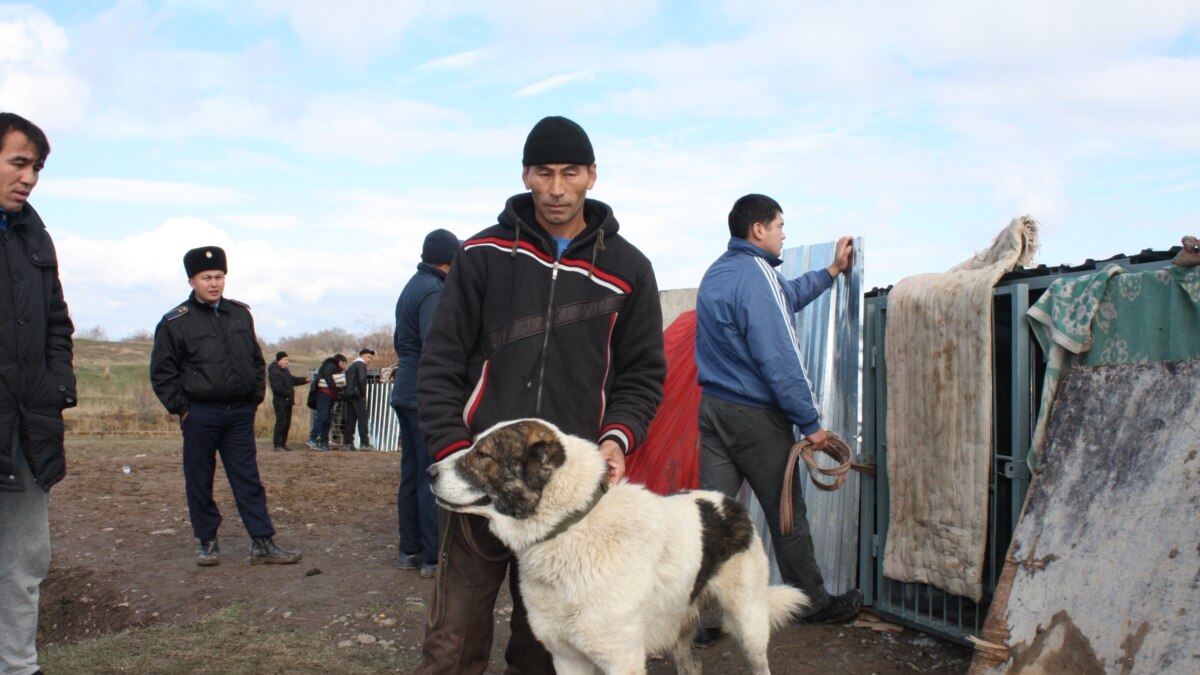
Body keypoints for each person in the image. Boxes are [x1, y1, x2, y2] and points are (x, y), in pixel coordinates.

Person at [415, 116, 666, 674]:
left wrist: (618, 438)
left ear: (592, 176)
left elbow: (642, 375)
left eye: (570, 173)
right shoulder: (480, 255)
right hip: (478, 478)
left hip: (564, 492)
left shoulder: (629, 270)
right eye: (544, 173)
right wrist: (454, 452)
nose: (557, 188)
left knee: (547, 646)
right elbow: (440, 364)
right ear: (525, 175)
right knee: (453, 639)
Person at [693, 193, 860, 645]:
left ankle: (703, 621)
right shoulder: (756, 274)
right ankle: (813, 602)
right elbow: (780, 357)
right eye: (780, 225)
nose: (785, 234)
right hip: (754, 417)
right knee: (787, 513)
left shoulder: (719, 273)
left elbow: (786, 297)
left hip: (712, 410)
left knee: (714, 517)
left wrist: (829, 273)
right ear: (758, 230)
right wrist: (811, 424)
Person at [150, 245, 302, 567]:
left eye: (219, 276)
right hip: (200, 413)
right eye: (206, 277)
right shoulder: (176, 322)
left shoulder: (240, 313)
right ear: (192, 280)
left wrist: (253, 397)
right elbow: (162, 372)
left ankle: (262, 542)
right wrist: (182, 408)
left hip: (238, 414)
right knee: (200, 478)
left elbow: (254, 360)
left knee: (247, 477)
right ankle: (208, 541)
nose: (214, 283)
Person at [0, 112, 77, 675]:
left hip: (28, 428)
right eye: (18, 162)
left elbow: (56, 323)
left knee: (25, 557)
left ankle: (19, 666)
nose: (29, 178)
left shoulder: (35, 236)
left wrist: (55, 388)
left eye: (37, 167)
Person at [392, 228, 460, 579]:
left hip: (405, 390)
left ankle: (410, 549)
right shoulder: (434, 291)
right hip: (423, 394)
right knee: (429, 475)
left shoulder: (411, 286)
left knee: (410, 473)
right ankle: (434, 556)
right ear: (447, 261)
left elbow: (401, 341)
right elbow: (437, 344)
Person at [267, 351, 309, 452]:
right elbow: (277, 388)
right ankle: (277, 444)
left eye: (287, 359)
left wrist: (305, 380)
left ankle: (283, 443)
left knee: (286, 423)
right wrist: (288, 392)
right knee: (281, 423)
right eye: (284, 360)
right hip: (280, 401)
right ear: (278, 360)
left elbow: (292, 380)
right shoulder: (274, 371)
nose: (286, 362)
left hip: (288, 401)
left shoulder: (285, 370)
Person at [308, 353, 347, 451]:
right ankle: (313, 439)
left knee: (327, 420)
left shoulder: (331, 365)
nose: (344, 367)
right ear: (341, 362)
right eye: (344, 364)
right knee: (323, 417)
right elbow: (327, 373)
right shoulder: (331, 365)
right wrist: (333, 386)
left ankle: (323, 442)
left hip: (328, 396)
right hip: (324, 394)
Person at [341, 348, 375, 450]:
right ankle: (364, 444)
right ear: (362, 356)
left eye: (371, 358)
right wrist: (363, 394)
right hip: (357, 395)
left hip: (349, 395)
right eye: (369, 357)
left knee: (350, 420)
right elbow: (361, 380)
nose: (370, 360)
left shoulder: (351, 366)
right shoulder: (361, 365)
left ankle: (348, 444)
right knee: (362, 419)